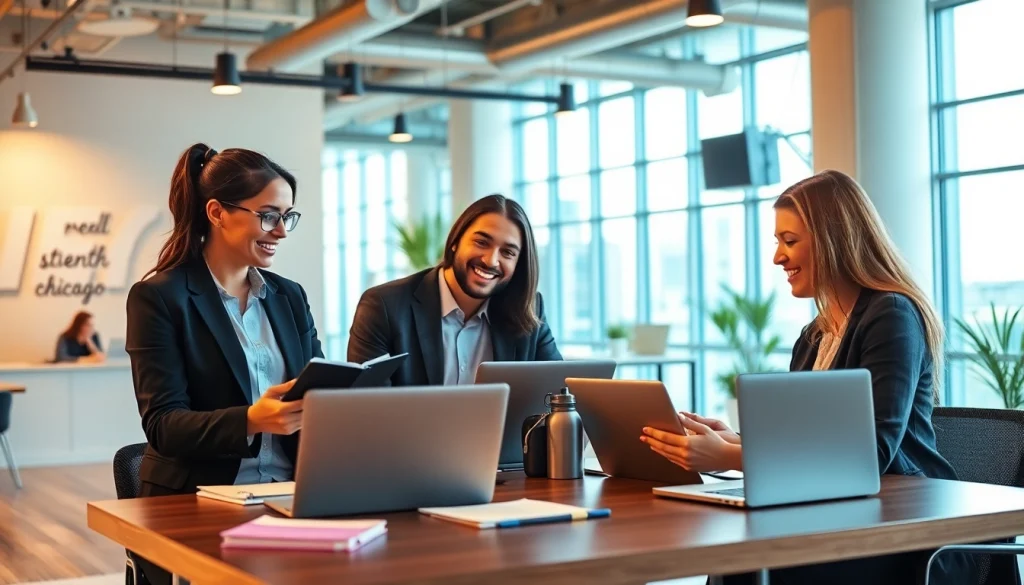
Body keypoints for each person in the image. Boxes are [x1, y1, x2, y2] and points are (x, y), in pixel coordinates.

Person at [640, 170, 976, 585]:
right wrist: (733, 440)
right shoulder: (816, 334)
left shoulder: (891, 315)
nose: (778, 258)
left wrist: (728, 457)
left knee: (751, 565)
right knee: (737, 561)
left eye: (790, 241)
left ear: (834, 239)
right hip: (843, 511)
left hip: (905, 525)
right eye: (777, 242)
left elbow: (869, 455)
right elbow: (811, 442)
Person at [126, 143, 322, 585]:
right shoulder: (160, 297)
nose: (281, 231)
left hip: (290, 497)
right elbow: (163, 424)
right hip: (199, 500)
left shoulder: (290, 296)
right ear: (217, 212)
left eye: (287, 217)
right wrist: (252, 419)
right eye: (268, 216)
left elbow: (318, 387)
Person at [348, 194, 561, 386]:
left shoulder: (528, 310)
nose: (491, 261)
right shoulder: (384, 307)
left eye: (507, 253)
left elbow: (559, 391)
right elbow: (369, 405)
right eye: (481, 242)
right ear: (455, 241)